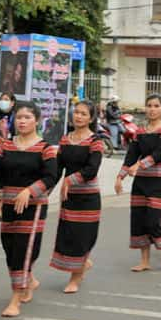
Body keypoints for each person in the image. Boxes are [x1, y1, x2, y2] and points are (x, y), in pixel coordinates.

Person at [0, 101, 59, 318]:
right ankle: (28, 280)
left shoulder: (45, 148)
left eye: (27, 117)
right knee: (10, 250)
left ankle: (15, 299)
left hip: (33, 206)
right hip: (9, 205)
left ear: (37, 121)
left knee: (24, 250)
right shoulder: (6, 145)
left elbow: (50, 177)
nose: (22, 121)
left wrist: (30, 191)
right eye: (19, 117)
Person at [116, 94, 161, 272]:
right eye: (149, 105)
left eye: (156, 106)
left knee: (153, 219)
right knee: (139, 219)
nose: (152, 109)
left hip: (159, 182)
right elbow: (131, 154)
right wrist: (120, 176)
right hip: (141, 181)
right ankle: (145, 261)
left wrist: (140, 164)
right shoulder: (139, 132)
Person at [52, 100, 104, 293]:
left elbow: (92, 169)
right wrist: (45, 189)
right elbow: (57, 169)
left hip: (88, 198)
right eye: (76, 113)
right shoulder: (65, 140)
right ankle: (81, 263)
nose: (79, 116)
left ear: (91, 118)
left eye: (84, 114)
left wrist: (69, 180)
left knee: (83, 237)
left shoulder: (95, 141)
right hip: (69, 198)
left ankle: (75, 277)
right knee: (70, 236)